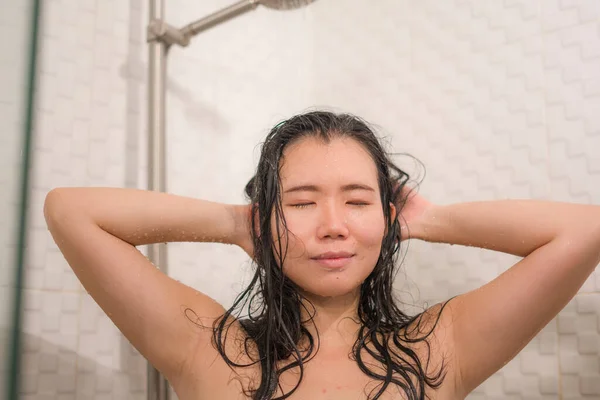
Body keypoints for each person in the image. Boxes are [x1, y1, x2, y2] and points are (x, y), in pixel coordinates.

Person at [44, 111, 600, 400]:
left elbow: (584, 230)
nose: (333, 227)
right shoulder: (206, 346)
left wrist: (429, 221)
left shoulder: (440, 348)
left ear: (386, 217)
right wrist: (241, 223)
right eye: (302, 203)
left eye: (357, 201)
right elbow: (70, 210)